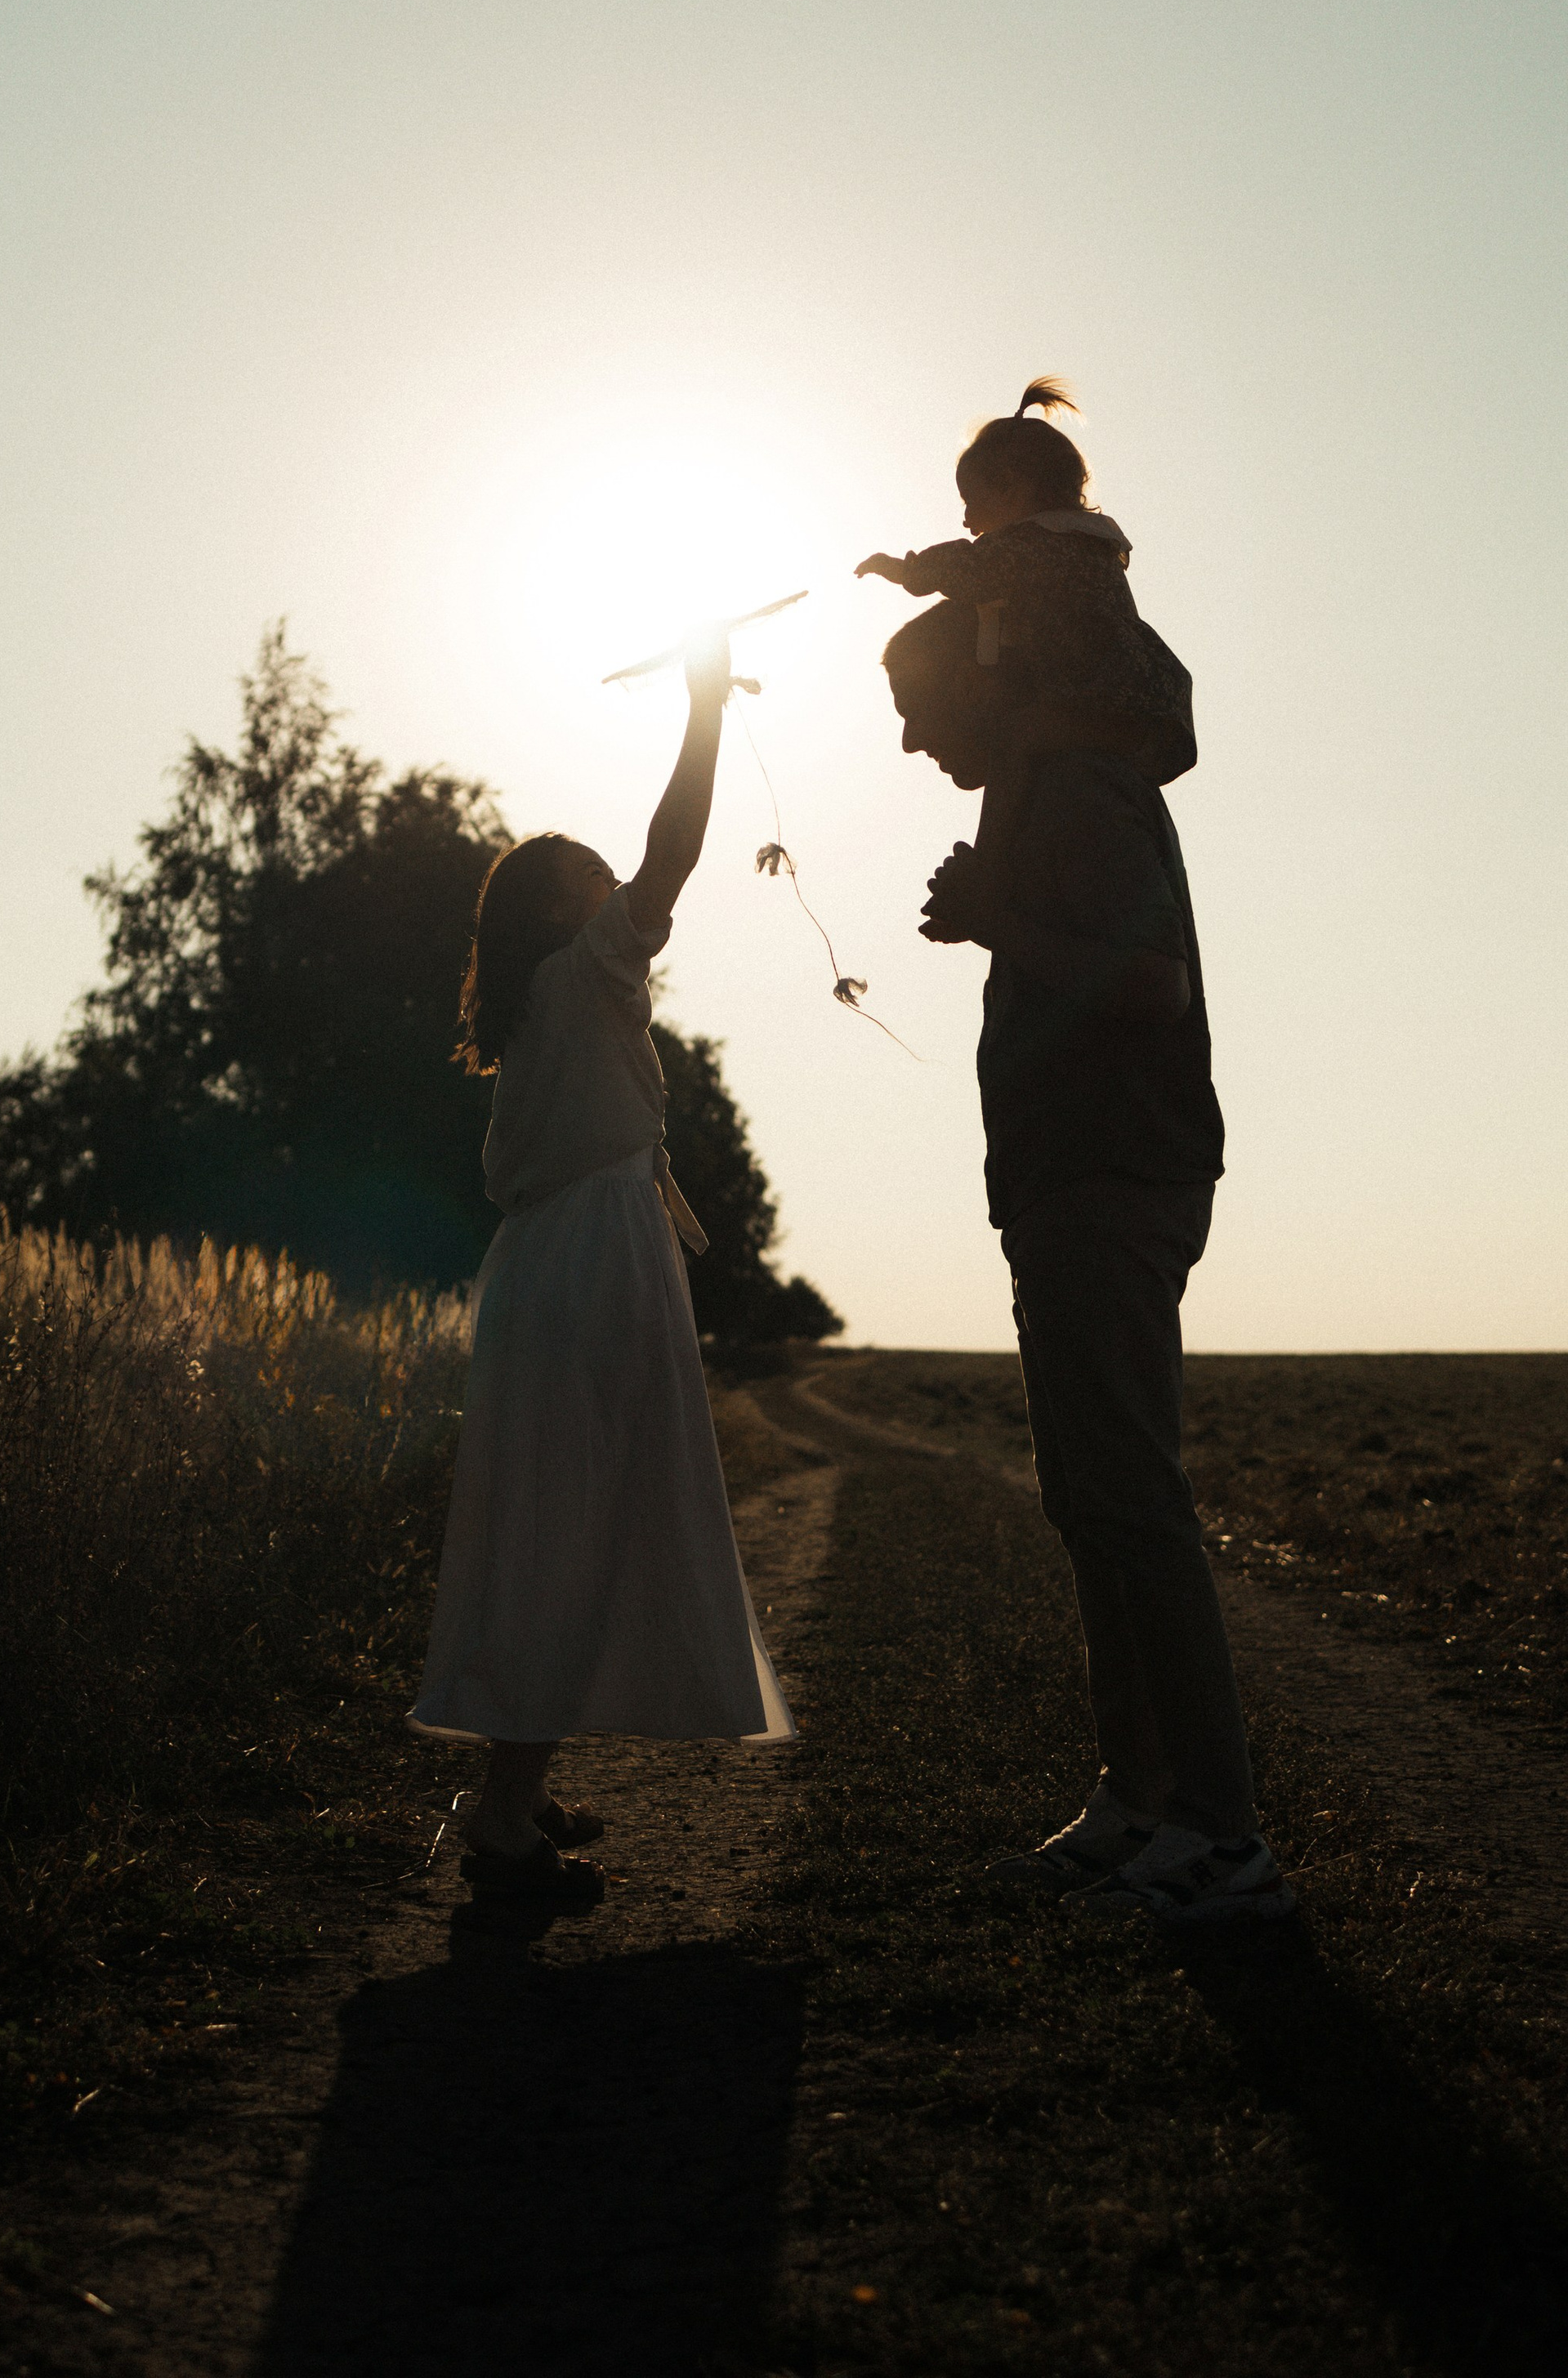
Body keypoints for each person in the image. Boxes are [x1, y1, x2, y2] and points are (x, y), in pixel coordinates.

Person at [881, 593, 1292, 1925]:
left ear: (980, 682)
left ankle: (1222, 1841)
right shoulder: (1035, 797)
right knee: (1087, 1503)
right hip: (1066, 1183)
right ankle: (1138, 1803)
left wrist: (1000, 918)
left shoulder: (1076, 789)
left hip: (1119, 1175)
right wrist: (990, 911)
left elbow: (1151, 984)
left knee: (1132, 1504)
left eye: (915, 708)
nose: (906, 744)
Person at [410, 629, 793, 1907]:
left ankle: (511, 1791)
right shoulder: (586, 974)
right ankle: (506, 1822)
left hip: (548, 1265)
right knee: (575, 1530)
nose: (607, 877)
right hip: (592, 1262)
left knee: (554, 1524)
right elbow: (675, 849)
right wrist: (703, 711)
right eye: (584, 872)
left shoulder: (540, 1007)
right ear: (557, 911)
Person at [857, 378, 1195, 785]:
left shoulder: (1035, 546)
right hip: (1129, 692)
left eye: (972, 501)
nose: (967, 521)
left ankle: (993, 848)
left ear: (1013, 489)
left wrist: (904, 570)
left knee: (1017, 744)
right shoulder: (1083, 542)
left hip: (1087, 691)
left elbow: (968, 568)